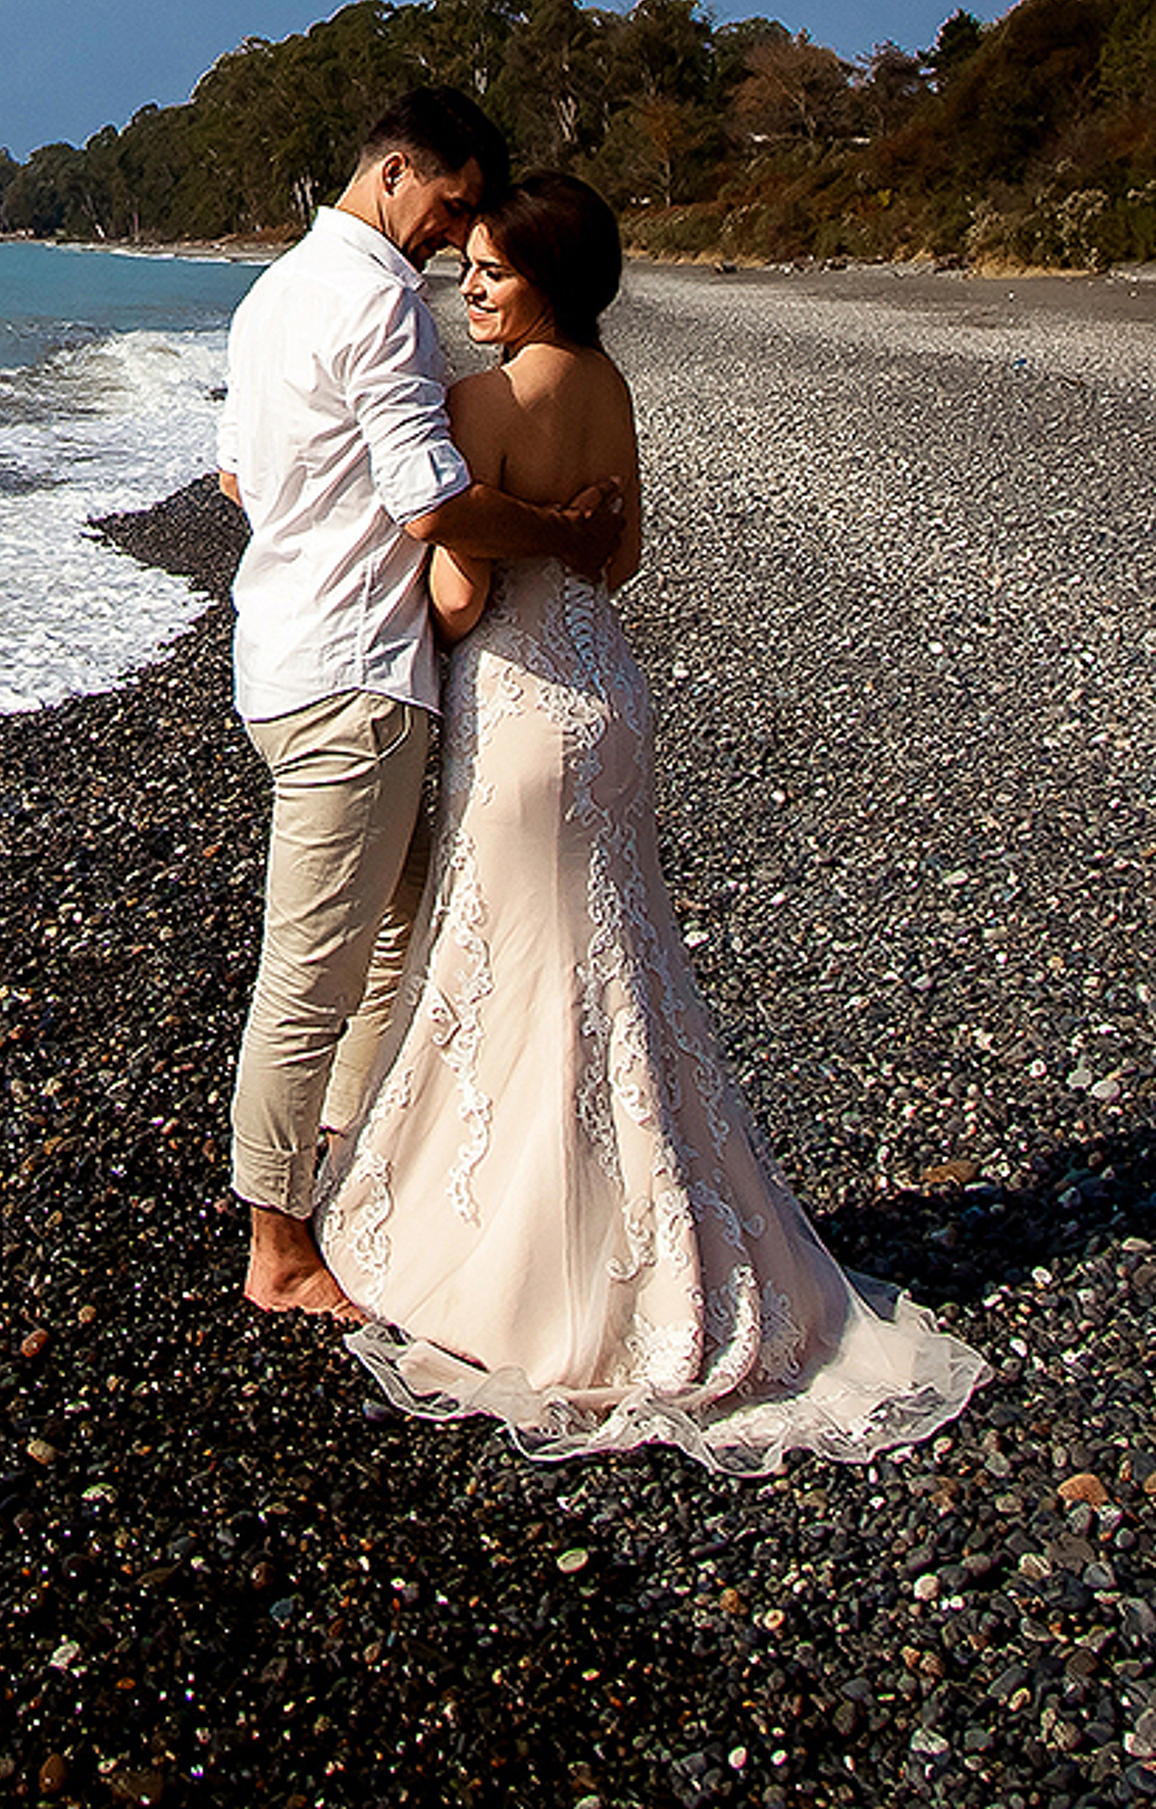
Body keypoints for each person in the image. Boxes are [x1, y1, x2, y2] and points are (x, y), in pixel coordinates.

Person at [315, 172, 986, 1467]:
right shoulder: (608, 389)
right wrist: (559, 533)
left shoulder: (477, 403)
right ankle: (666, 1228)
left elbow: (456, 600)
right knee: (613, 969)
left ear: (545, 284)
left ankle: (542, 1268)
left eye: (492, 274)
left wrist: (437, 556)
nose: (469, 286)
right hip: (607, 694)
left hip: (517, 703)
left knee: (516, 969)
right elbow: (617, 560)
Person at [216, 91, 626, 1320]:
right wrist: (557, 528)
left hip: (280, 655)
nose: (457, 238)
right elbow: (436, 504)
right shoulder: (377, 300)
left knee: (398, 935)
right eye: (452, 202)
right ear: (398, 170)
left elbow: (240, 476)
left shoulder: (271, 292)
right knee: (316, 967)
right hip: (356, 679)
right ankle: (278, 1248)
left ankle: (348, 1174)